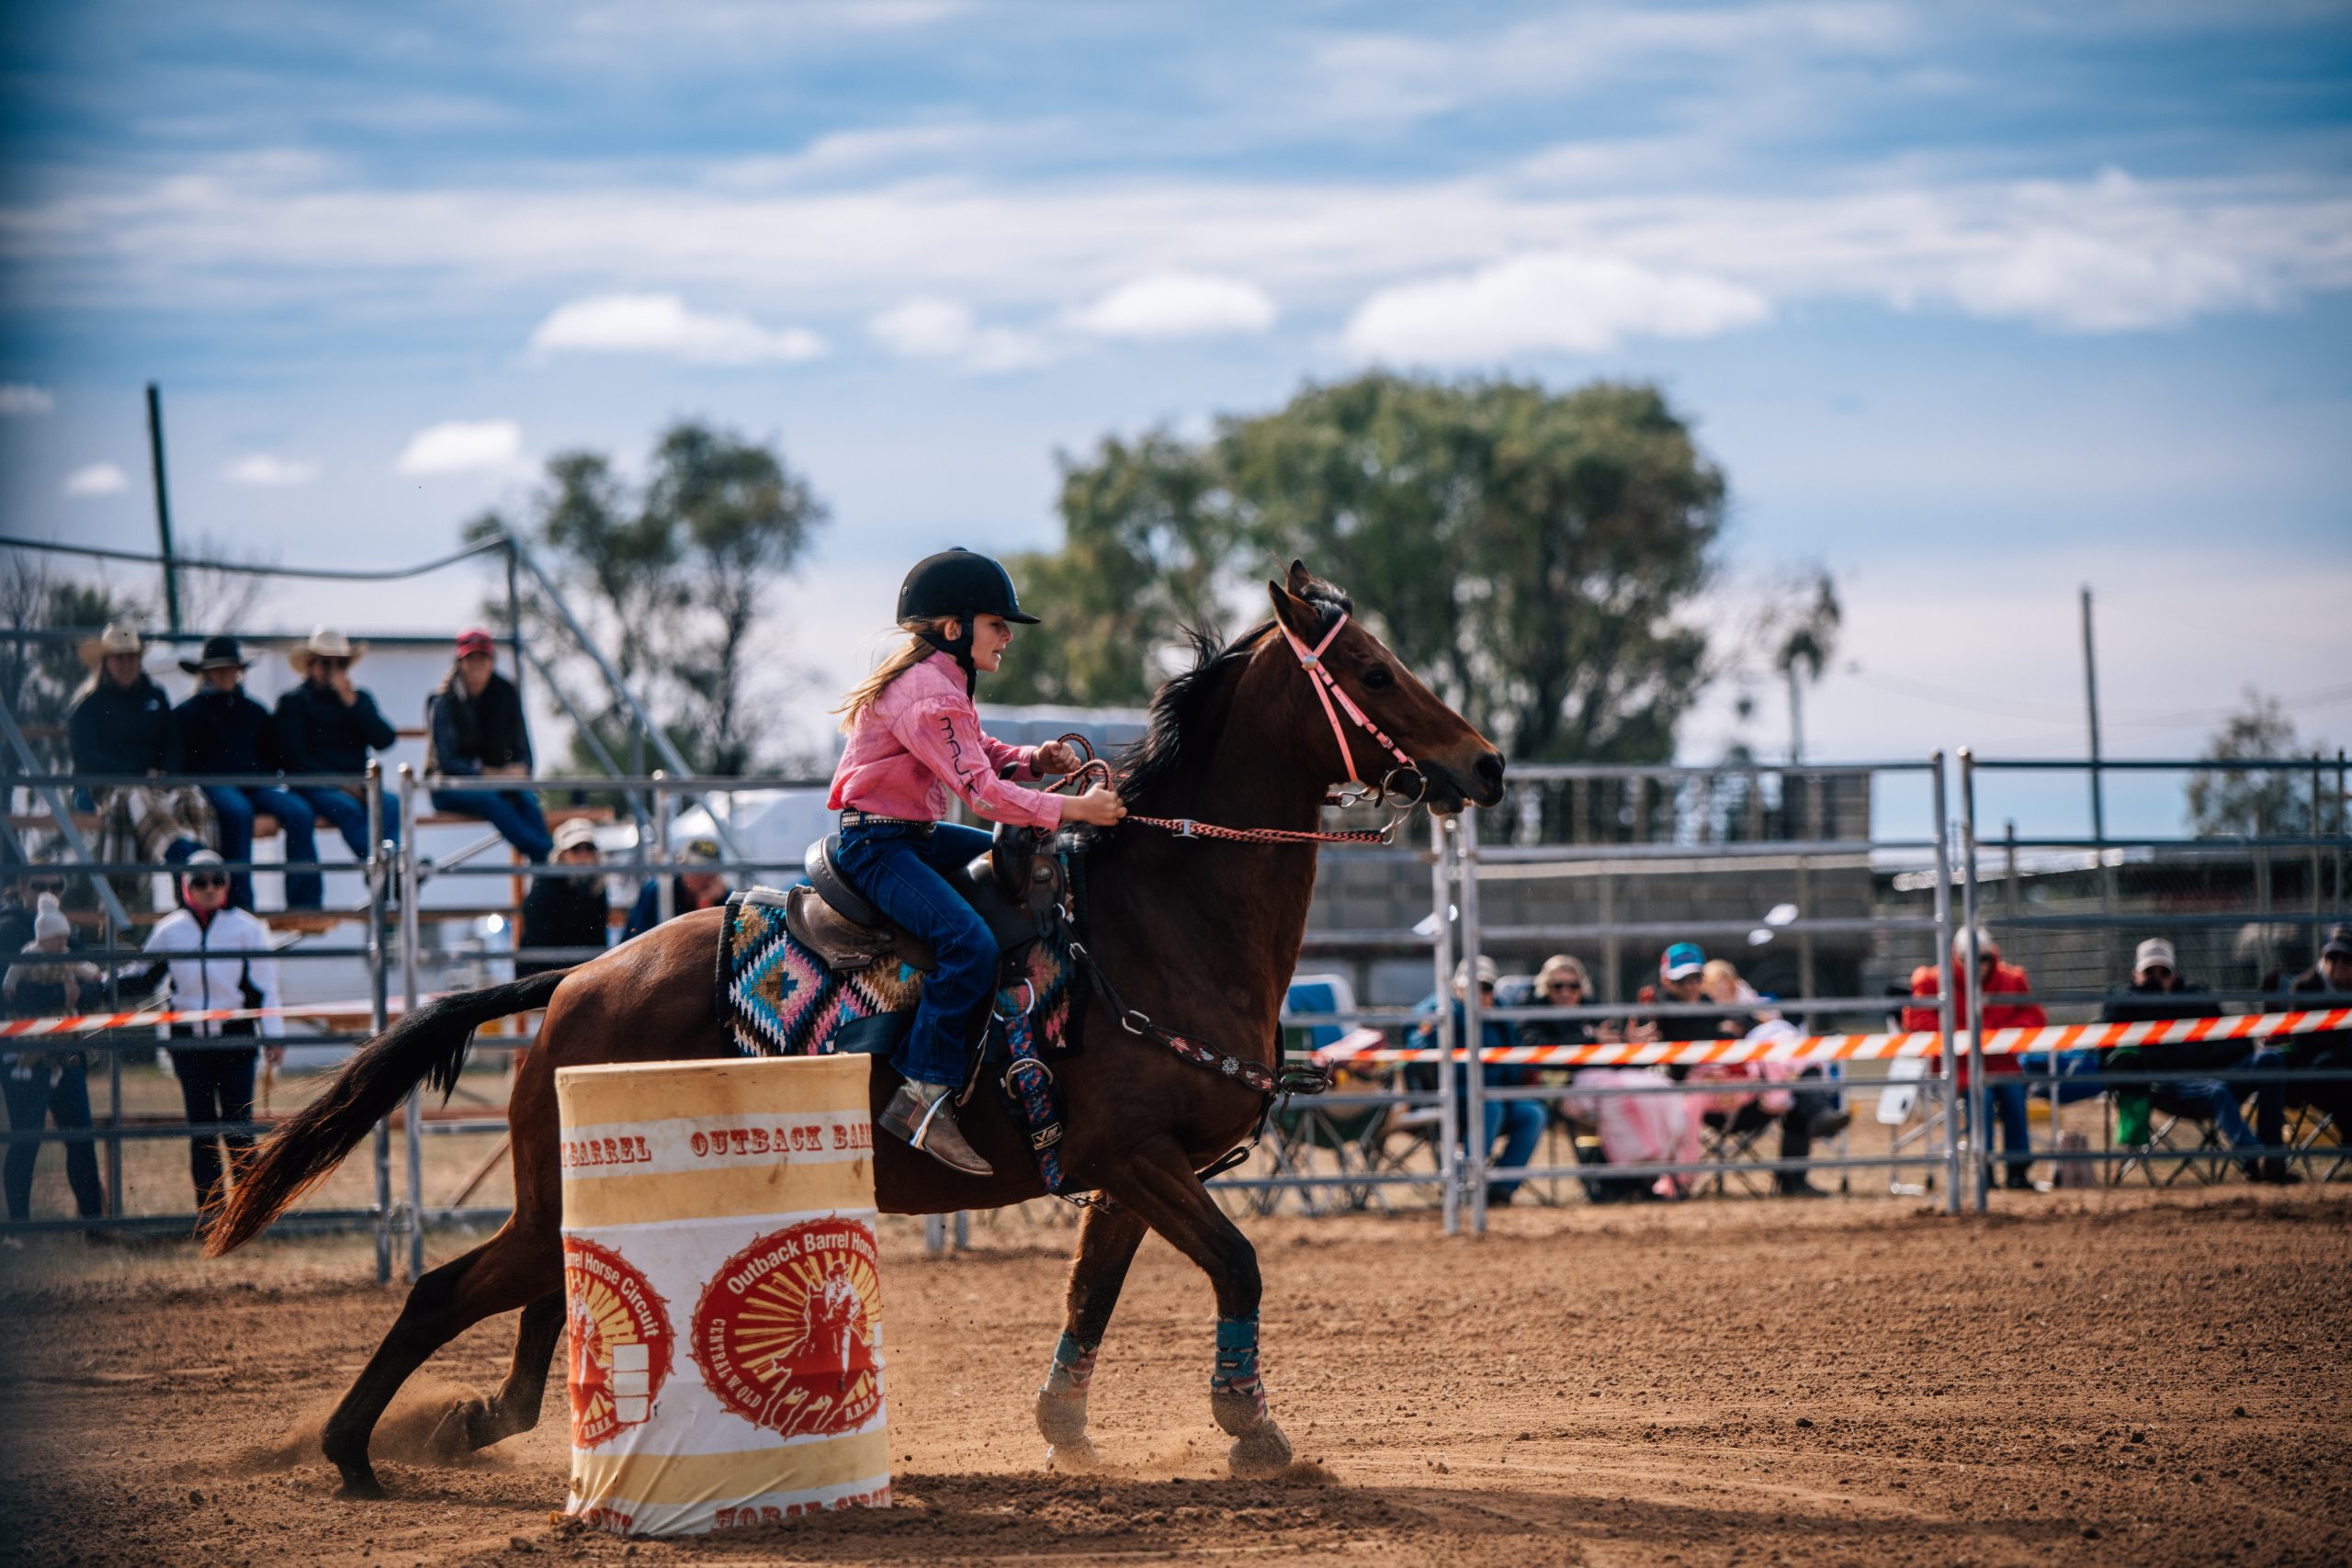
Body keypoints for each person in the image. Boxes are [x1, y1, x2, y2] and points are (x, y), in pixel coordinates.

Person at [826, 548, 1125, 1176]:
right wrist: (1075, 811)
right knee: (968, 944)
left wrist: (1033, 758)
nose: (1008, 637)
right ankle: (922, 1093)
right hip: (879, 846)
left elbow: (979, 752)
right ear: (955, 627)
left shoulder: (941, 682)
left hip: (911, 836)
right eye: (997, 624)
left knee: (1036, 873)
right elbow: (983, 793)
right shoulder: (930, 693)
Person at [139, 851, 283, 1215]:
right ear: (185, 886)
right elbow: (141, 975)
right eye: (199, 881)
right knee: (202, 1132)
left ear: (227, 885)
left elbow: (265, 987)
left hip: (236, 1038)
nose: (209, 888)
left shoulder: (247, 927)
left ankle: (249, 1214)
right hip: (189, 1042)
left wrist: (273, 1035)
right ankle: (211, 1216)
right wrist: (96, 981)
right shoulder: (169, 930)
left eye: (217, 880)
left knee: (239, 1129)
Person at [2102, 937, 2294, 1184]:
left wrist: (2205, 1056)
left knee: (2270, 1059)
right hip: (2169, 1086)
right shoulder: (2123, 1006)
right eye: (2150, 972)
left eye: (2164, 971)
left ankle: (2273, 1156)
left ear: (2176, 974)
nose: (2158, 977)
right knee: (2218, 1091)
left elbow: (2238, 1042)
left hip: (2216, 1071)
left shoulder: (2197, 998)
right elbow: (2122, 1055)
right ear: (2135, 974)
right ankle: (2255, 1161)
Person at [174, 636, 321, 912]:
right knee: (238, 812)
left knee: (299, 811)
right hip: (213, 786)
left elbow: (274, 754)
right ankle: (240, 903)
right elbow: (181, 761)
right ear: (206, 673)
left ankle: (305, 902)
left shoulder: (254, 711)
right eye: (219, 669)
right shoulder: (187, 713)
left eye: (231, 668)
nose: (226, 675)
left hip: (255, 786)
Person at [66, 622, 211, 892]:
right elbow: (86, 758)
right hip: (105, 788)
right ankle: (187, 860)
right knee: (135, 795)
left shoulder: (155, 697)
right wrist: (138, 774)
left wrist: (166, 773)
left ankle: (198, 876)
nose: (126, 663)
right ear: (106, 661)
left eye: (131, 656)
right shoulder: (88, 705)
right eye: (119, 657)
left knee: (192, 796)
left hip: (155, 784)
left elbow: (172, 743)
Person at [1904, 928, 2047, 1190]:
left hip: (2003, 1065)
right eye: (1970, 959)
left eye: (1984, 959)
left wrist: (1996, 1034)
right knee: (1981, 1098)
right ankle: (1984, 1168)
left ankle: (2018, 1170)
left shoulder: (2012, 980)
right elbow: (1917, 1018)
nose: (1978, 966)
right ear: (1957, 957)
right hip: (1959, 1069)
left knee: (2014, 1096)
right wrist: (1963, 1036)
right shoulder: (1933, 981)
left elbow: (2035, 1016)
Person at [3, 893, 107, 1230]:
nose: (51, 888)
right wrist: (61, 995)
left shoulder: (69, 942)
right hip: (24, 1048)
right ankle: (18, 1226)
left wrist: (91, 985)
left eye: (58, 883)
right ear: (22, 885)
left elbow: (92, 988)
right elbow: (9, 993)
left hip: (65, 1045)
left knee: (79, 1135)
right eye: (41, 882)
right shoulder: (8, 931)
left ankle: (94, 1224)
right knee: (26, 1138)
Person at [1408, 955, 1547, 1208]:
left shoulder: (1501, 1013)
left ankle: (1501, 1188)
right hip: (1452, 1097)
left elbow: (1516, 1056)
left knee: (1532, 1113)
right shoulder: (1439, 1009)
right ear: (1457, 987)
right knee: (1488, 1107)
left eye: (1486, 988)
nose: (1480, 994)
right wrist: (1459, 1015)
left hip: (1498, 1094)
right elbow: (1418, 1048)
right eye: (1472, 987)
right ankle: (1469, 1184)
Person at [275, 626, 399, 866]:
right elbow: (294, 759)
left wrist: (353, 704)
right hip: (314, 785)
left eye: (340, 664)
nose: (333, 671)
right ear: (310, 665)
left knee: (391, 803)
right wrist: (340, 784)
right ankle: (385, 868)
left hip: (357, 783)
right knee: (348, 808)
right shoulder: (294, 702)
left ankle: (386, 870)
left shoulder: (358, 699)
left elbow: (385, 740)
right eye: (325, 663)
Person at [425, 627, 552, 862]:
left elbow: (522, 746)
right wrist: (493, 774)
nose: (477, 664)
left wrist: (522, 770)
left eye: (482, 657)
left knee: (526, 799)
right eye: (470, 657)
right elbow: (447, 761)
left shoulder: (505, 692)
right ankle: (548, 859)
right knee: (492, 800)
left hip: (497, 784)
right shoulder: (443, 700)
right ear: (460, 662)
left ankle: (550, 865)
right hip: (449, 787)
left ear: (492, 660)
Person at [2269, 924, 2352, 1143]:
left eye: (2346, 959)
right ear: (2323, 956)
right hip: (2314, 1073)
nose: (2338, 965)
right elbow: (2303, 1041)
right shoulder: (2304, 987)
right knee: (2331, 1068)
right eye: (2332, 957)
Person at [518, 818, 610, 978]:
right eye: (575, 849)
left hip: (581, 973)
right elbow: (539, 947)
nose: (583, 855)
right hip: (544, 977)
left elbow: (598, 939)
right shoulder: (545, 888)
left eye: (588, 848)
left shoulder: (596, 888)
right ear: (562, 855)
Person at [620, 836, 729, 942]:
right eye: (696, 869)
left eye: (710, 870)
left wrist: (706, 905)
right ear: (682, 866)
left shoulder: (725, 898)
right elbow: (638, 941)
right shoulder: (657, 891)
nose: (703, 876)